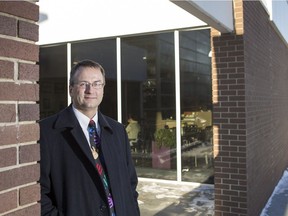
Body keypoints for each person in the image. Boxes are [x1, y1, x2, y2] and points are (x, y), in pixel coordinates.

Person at [40, 60, 140, 216]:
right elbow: (39, 193)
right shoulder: (47, 132)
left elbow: (130, 184)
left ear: (103, 89)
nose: (90, 90)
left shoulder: (118, 131)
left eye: (96, 84)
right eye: (83, 84)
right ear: (71, 89)